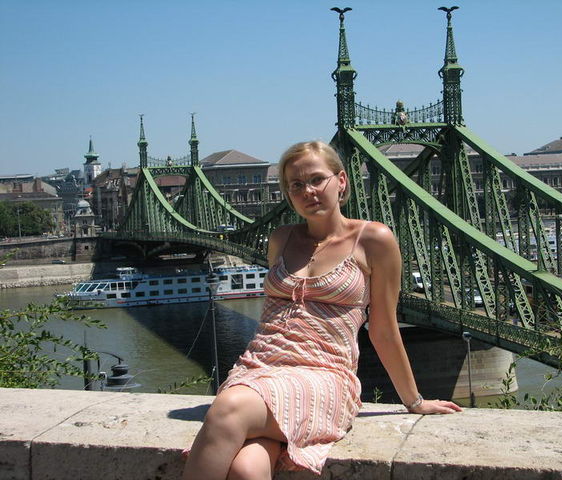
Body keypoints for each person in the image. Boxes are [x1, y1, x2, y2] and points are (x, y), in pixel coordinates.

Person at [182, 141, 462, 480]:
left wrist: (414, 401)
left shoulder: (374, 239)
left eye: (317, 179)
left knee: (227, 410)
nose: (308, 191)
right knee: (246, 470)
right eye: (296, 185)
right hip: (257, 367)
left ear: (341, 181)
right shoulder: (281, 238)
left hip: (324, 375)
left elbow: (383, 329)